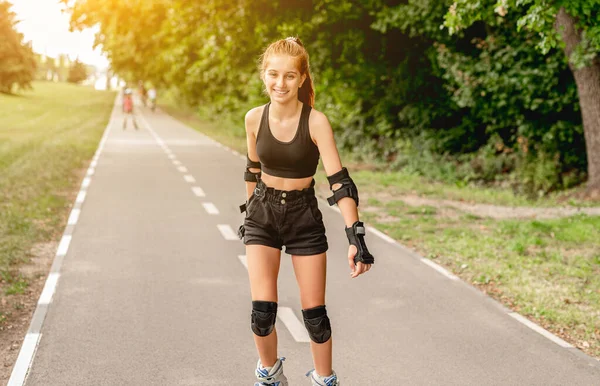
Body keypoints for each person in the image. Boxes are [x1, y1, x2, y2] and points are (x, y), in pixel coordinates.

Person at [238, 37, 375, 386]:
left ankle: (324, 379)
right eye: (273, 74)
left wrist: (355, 237)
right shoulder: (254, 119)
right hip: (263, 214)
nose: (279, 83)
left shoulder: (315, 122)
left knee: (315, 316)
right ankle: (269, 376)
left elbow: (340, 183)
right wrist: (248, 216)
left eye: (288, 76)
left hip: (303, 217)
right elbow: (252, 171)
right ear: (263, 75)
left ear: (301, 79)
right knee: (262, 314)